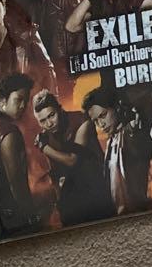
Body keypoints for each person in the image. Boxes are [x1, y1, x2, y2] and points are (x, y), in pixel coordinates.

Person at [0, 73, 40, 239]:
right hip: (13, 221)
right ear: (2, 100)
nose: (23, 106)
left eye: (26, 101)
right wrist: (32, 217)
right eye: (18, 99)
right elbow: (16, 183)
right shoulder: (9, 132)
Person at [33, 89, 108, 225]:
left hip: (97, 191)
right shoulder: (46, 136)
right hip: (70, 200)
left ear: (59, 109)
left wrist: (44, 148)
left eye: (51, 115)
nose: (49, 124)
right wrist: (60, 203)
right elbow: (55, 174)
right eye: (42, 121)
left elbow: (72, 160)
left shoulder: (82, 121)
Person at [83, 86, 151, 216]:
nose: (101, 124)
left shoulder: (130, 133)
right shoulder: (111, 141)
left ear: (116, 108)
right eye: (96, 121)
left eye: (103, 115)